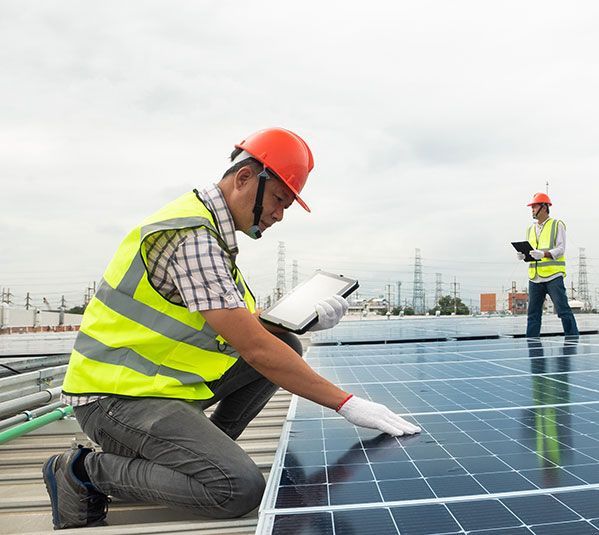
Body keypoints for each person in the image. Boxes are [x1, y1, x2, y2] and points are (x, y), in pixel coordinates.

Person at [43, 127, 421, 530]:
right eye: (278, 199)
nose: (279, 214)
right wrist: (345, 403)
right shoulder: (192, 236)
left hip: (156, 388)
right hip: (114, 400)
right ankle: (83, 471)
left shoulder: (212, 236)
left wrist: (304, 319)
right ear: (244, 179)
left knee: (285, 343)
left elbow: (247, 329)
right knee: (235, 489)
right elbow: (254, 348)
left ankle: (202, 452)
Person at [517, 193, 579, 338]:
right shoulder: (530, 229)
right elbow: (532, 253)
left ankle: (573, 339)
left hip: (553, 277)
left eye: (534, 206)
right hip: (535, 278)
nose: (532, 210)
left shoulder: (557, 225)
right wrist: (523, 255)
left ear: (544, 207)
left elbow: (560, 249)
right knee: (533, 314)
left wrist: (544, 254)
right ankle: (532, 343)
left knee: (563, 310)